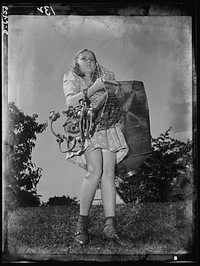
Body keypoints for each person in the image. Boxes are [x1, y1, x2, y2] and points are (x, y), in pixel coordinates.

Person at [63, 49, 129, 245]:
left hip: (108, 125)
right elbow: (70, 101)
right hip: (87, 125)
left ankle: (111, 226)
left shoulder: (104, 78)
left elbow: (117, 97)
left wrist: (108, 86)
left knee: (109, 172)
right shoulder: (72, 77)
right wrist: (94, 88)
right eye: (84, 58)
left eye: (92, 59)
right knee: (95, 170)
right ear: (76, 62)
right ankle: (81, 224)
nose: (89, 61)